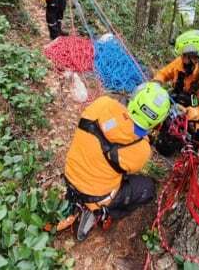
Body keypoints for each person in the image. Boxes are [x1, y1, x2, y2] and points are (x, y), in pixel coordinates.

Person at [63, 82, 171, 240]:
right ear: (157, 123)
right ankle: (100, 213)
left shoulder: (102, 104)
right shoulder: (142, 150)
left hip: (70, 175)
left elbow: (115, 127)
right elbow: (129, 168)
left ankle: (79, 201)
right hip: (95, 197)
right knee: (147, 188)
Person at [151, 30, 199, 157]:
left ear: (197, 58)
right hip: (176, 106)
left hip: (192, 121)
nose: (182, 59)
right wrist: (157, 82)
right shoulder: (181, 63)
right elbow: (164, 73)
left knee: (165, 149)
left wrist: (191, 113)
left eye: (185, 56)